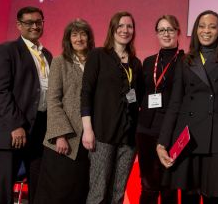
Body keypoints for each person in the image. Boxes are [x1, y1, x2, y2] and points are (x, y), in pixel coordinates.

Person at [156, 10, 218, 204]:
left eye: (212, 27)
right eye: (202, 26)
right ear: (195, 29)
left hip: (216, 138)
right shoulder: (185, 61)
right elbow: (175, 103)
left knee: (213, 198)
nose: (206, 31)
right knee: (189, 197)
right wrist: (162, 142)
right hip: (187, 137)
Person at [0, 6, 52, 204]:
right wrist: (16, 125)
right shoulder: (6, 50)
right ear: (18, 25)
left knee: (39, 186)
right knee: (5, 189)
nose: (34, 26)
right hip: (13, 129)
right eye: (29, 23)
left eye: (38, 22)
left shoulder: (47, 55)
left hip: (40, 129)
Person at [81, 11, 144, 204]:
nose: (125, 30)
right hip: (102, 134)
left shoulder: (135, 62)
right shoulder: (98, 55)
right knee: (98, 191)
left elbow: (139, 98)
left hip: (128, 138)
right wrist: (88, 130)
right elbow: (86, 93)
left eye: (129, 26)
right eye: (121, 26)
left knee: (117, 193)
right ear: (113, 29)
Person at [34, 19, 95, 204]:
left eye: (83, 34)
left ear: (89, 37)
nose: (79, 38)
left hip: (88, 137)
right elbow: (53, 100)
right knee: (56, 192)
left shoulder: (96, 62)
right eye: (74, 34)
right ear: (68, 38)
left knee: (79, 191)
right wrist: (60, 135)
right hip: (64, 140)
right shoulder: (60, 62)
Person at [137, 15, 184, 204]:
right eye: (162, 30)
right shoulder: (148, 62)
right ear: (156, 34)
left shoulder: (186, 61)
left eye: (170, 29)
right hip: (146, 129)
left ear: (178, 32)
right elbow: (140, 93)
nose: (166, 34)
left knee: (168, 186)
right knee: (148, 186)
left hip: (172, 130)